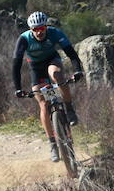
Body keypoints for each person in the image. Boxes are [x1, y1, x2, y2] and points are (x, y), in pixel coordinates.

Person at [12, 11, 84, 162]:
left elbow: (71, 54)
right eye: (35, 29)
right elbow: (16, 65)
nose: (39, 32)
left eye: (42, 28)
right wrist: (18, 88)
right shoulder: (24, 39)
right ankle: (52, 143)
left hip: (52, 61)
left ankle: (69, 109)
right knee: (43, 103)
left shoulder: (55, 33)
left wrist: (78, 70)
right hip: (35, 68)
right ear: (31, 30)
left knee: (58, 76)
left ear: (46, 27)